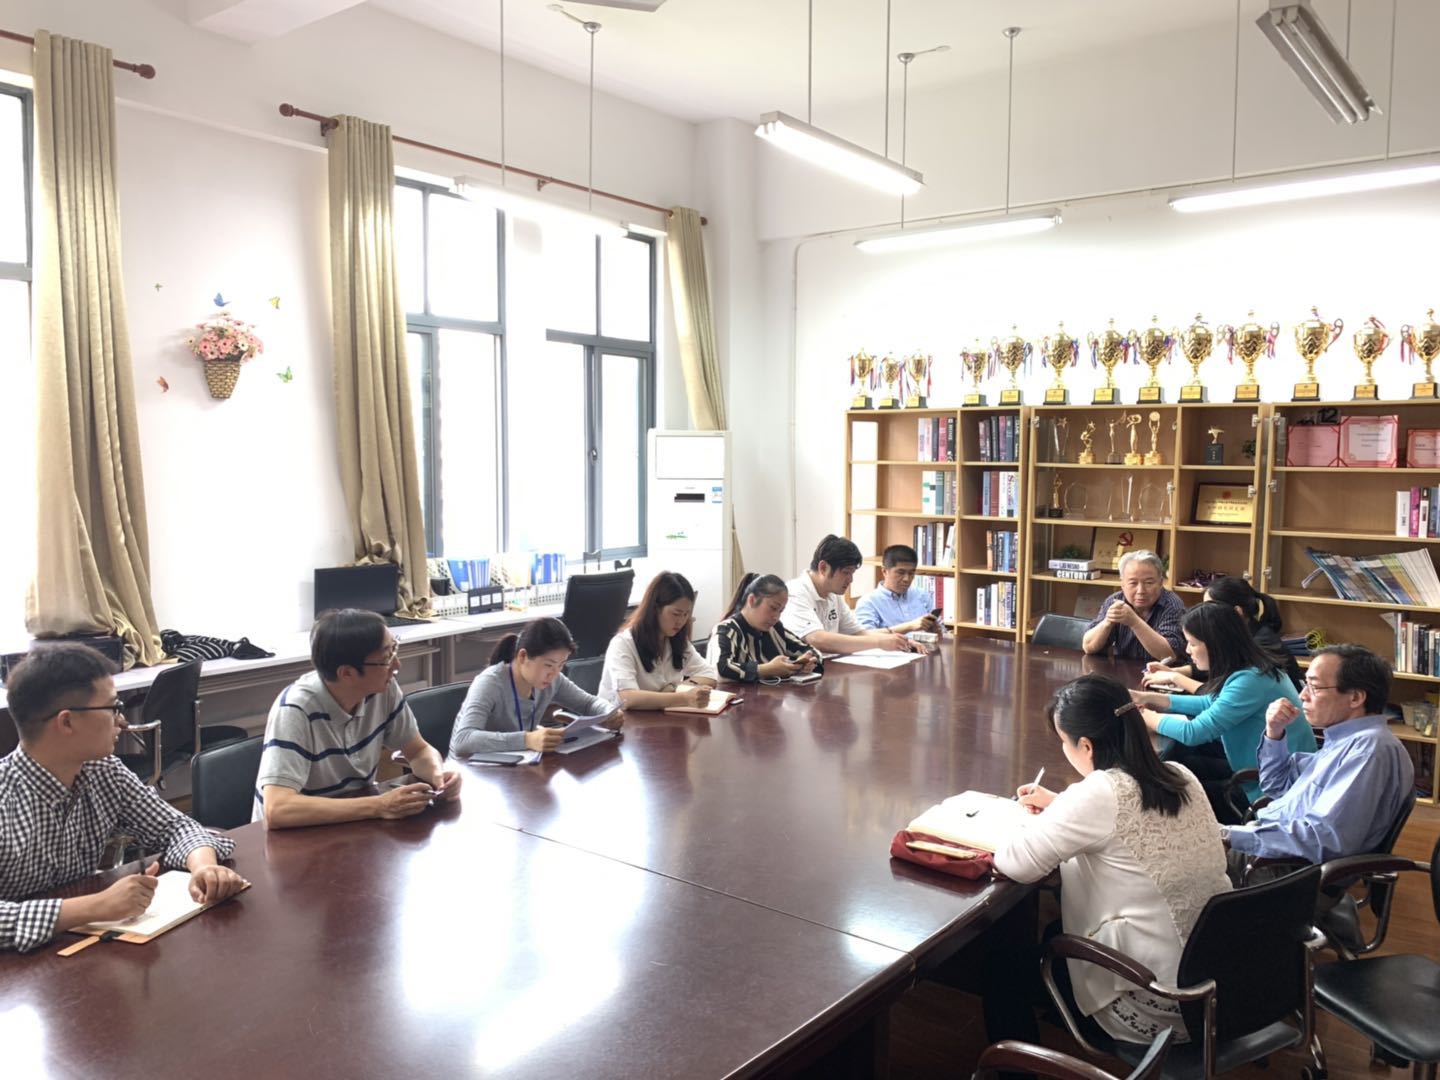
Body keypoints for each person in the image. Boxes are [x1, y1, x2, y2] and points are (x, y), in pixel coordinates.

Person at [985, 674, 1230, 1048]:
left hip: (1159, 1003)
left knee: (1000, 970)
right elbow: (1131, 817)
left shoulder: (1098, 793)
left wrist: (1027, 818)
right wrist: (1061, 805)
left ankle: (1017, 1064)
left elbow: (1016, 864)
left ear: (1086, 745)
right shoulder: (1180, 775)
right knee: (1052, 936)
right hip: (1217, 981)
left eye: (1064, 741)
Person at [0, 644, 247, 952]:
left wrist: (204, 867)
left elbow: (175, 827)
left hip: (77, 950)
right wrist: (95, 906)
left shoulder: (103, 771)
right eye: (112, 708)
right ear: (67, 722)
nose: (122, 721)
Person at [255, 609, 461, 828]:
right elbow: (277, 808)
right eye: (386, 658)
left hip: (353, 820)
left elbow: (418, 750)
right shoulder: (296, 710)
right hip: (296, 833)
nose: (397, 665)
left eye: (394, 649)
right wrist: (379, 806)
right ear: (347, 673)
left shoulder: (383, 690)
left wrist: (439, 777)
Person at [1224, 644, 1413, 865]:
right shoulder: (1342, 741)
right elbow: (1277, 785)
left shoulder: (1367, 750)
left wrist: (1232, 836)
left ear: (1355, 698)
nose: (1302, 695)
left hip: (1282, 865)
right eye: (1306, 685)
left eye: (1314, 687)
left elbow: (1323, 839)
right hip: (1268, 844)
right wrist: (1274, 733)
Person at [1129, 602, 1314, 820]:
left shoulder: (1249, 681)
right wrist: (1147, 698)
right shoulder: (1253, 668)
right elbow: (1210, 702)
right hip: (1261, 772)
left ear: (1216, 645)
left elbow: (1193, 733)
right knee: (1179, 761)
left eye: (1192, 644)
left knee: (1169, 789)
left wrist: (1143, 715)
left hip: (1269, 793)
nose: (1187, 651)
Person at [452, 617, 622, 756]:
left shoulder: (553, 680)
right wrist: (527, 739)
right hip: (473, 772)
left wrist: (609, 712)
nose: (554, 673)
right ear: (523, 656)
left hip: (517, 764)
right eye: (548, 665)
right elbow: (463, 740)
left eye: (561, 665)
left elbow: (588, 703)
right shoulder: (490, 683)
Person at [1142, 576, 1302, 692]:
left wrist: (1175, 678)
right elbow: (1217, 667)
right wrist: (1174, 671)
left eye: (1211, 607)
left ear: (1237, 612)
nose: (1204, 613)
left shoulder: (1261, 645)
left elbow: (1220, 695)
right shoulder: (1237, 636)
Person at [782, 535, 923, 655]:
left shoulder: (833, 595)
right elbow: (817, 639)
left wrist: (900, 641)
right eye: (846, 572)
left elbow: (859, 633)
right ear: (823, 568)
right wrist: (880, 642)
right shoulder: (795, 592)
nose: (850, 580)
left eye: (852, 573)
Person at [599, 571, 719, 709]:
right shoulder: (623, 643)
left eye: (686, 614)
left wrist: (675, 688)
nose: (681, 621)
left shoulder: (676, 640)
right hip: (621, 719)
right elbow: (628, 698)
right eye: (676, 614)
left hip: (657, 717)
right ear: (655, 609)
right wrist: (684, 697)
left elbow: (710, 674)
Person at [711, 573, 822, 683]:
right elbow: (720, 670)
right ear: (752, 600)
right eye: (773, 608)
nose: (776, 617)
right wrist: (766, 670)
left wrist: (808, 662)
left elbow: (812, 651)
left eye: (781, 611)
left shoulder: (775, 629)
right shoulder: (727, 630)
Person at [1081, 550, 1185, 662]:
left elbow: (1169, 655)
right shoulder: (1115, 601)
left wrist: (1134, 622)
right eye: (1133, 583)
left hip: (1163, 671)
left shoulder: (1172, 604)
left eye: (1149, 583)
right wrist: (1107, 622)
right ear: (1122, 584)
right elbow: (1088, 647)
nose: (1141, 591)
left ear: (1160, 583)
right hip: (1123, 670)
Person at [854, 544, 941, 634]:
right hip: (889, 644)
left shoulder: (922, 595)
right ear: (884, 571)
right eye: (900, 572)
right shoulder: (868, 602)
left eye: (911, 573)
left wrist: (937, 631)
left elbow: (941, 631)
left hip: (926, 643)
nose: (906, 579)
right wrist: (909, 626)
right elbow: (866, 636)